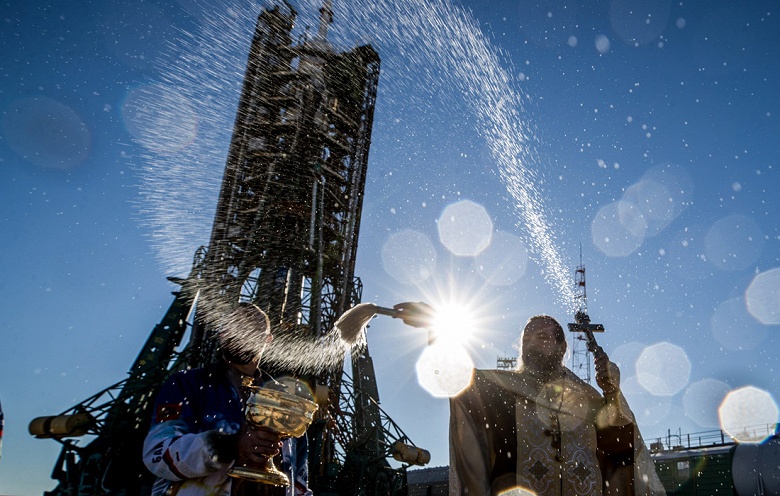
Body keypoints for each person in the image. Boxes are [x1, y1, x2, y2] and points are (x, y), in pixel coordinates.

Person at [449, 314, 664, 496]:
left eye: (541, 337)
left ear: (562, 348)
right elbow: (457, 380)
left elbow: (622, 444)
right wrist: (436, 334)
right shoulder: (503, 390)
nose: (531, 345)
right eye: (526, 340)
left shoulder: (587, 398)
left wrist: (612, 391)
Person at [143, 303, 312, 496]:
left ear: (267, 340)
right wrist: (230, 446)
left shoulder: (286, 403)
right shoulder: (186, 384)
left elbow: (298, 480)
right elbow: (157, 453)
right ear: (222, 334)